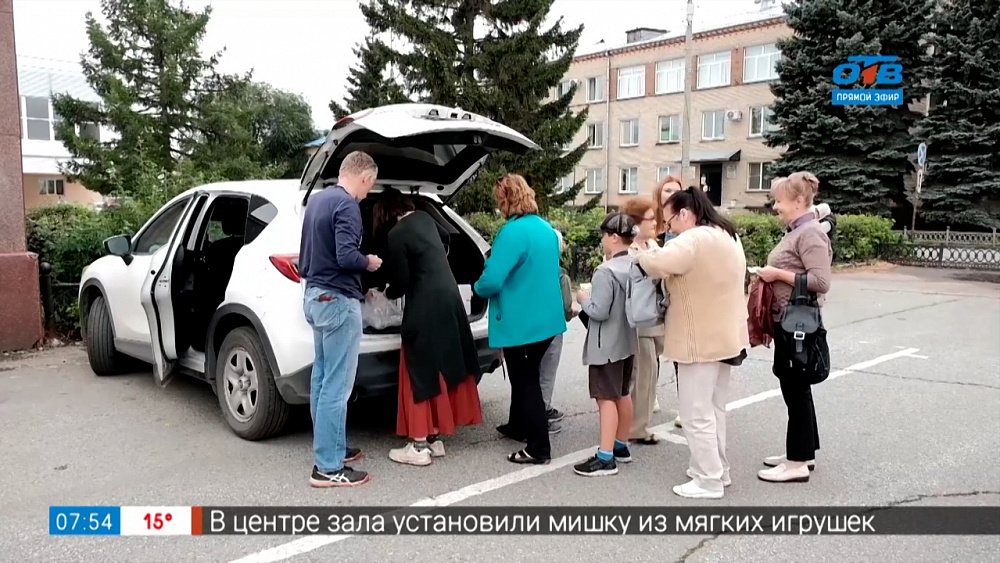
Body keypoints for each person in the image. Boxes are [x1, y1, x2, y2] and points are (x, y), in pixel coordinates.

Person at [636, 187, 750, 499]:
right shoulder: (728, 234)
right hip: (726, 336)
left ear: (685, 214)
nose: (669, 229)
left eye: (670, 221)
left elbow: (657, 263)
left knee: (695, 413)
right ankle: (719, 470)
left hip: (697, 338)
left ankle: (708, 480)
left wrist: (640, 251)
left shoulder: (693, 239)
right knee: (714, 409)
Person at [373, 188, 484, 467]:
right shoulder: (425, 218)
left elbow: (401, 281)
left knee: (418, 370)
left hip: (424, 305)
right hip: (450, 298)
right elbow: (447, 237)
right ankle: (434, 438)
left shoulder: (396, 234)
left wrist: (384, 293)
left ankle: (419, 445)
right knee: (440, 366)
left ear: (385, 214)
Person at [299, 151, 382, 488]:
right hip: (337, 300)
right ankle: (328, 467)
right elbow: (346, 256)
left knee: (322, 378)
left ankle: (331, 447)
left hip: (314, 295)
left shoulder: (318, 201)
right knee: (337, 385)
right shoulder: (347, 205)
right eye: (370, 185)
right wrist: (368, 262)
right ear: (365, 177)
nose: (367, 192)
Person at [474, 174, 567, 465]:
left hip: (523, 323)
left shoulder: (511, 232)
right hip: (547, 320)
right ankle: (517, 425)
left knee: (526, 381)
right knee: (525, 376)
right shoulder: (545, 229)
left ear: (506, 199)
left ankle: (538, 448)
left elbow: (492, 280)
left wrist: (476, 288)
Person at [755, 172, 833, 484]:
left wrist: (777, 274)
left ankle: (797, 462)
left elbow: (821, 281)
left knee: (796, 389)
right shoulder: (800, 229)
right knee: (796, 389)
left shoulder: (810, 233)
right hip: (789, 320)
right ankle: (803, 452)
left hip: (797, 323)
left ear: (799, 201)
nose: (775, 206)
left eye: (779, 201)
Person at [573, 213, 640, 476]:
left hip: (606, 346)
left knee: (605, 398)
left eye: (604, 235)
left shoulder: (605, 271)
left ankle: (605, 457)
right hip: (627, 340)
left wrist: (583, 299)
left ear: (614, 238)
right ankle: (621, 445)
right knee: (623, 393)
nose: (602, 239)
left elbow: (599, 311)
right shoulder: (636, 264)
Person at [620, 197, 665, 445]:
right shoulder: (628, 250)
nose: (655, 223)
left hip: (654, 317)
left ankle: (635, 423)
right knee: (644, 375)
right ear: (635, 223)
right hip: (639, 319)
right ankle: (637, 427)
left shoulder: (651, 244)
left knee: (646, 373)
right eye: (650, 219)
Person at [652, 175, 684, 427]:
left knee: (679, 355)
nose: (672, 194)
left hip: (678, 300)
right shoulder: (653, 227)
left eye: (676, 190)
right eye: (667, 190)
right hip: (653, 299)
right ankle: (649, 396)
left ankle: (685, 405)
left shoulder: (686, 229)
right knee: (650, 351)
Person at [537, 229, 575, 434]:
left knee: (530, 374)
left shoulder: (530, 270)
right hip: (552, 329)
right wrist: (571, 314)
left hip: (529, 328)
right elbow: (566, 306)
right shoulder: (561, 275)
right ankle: (543, 413)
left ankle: (529, 412)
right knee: (547, 374)